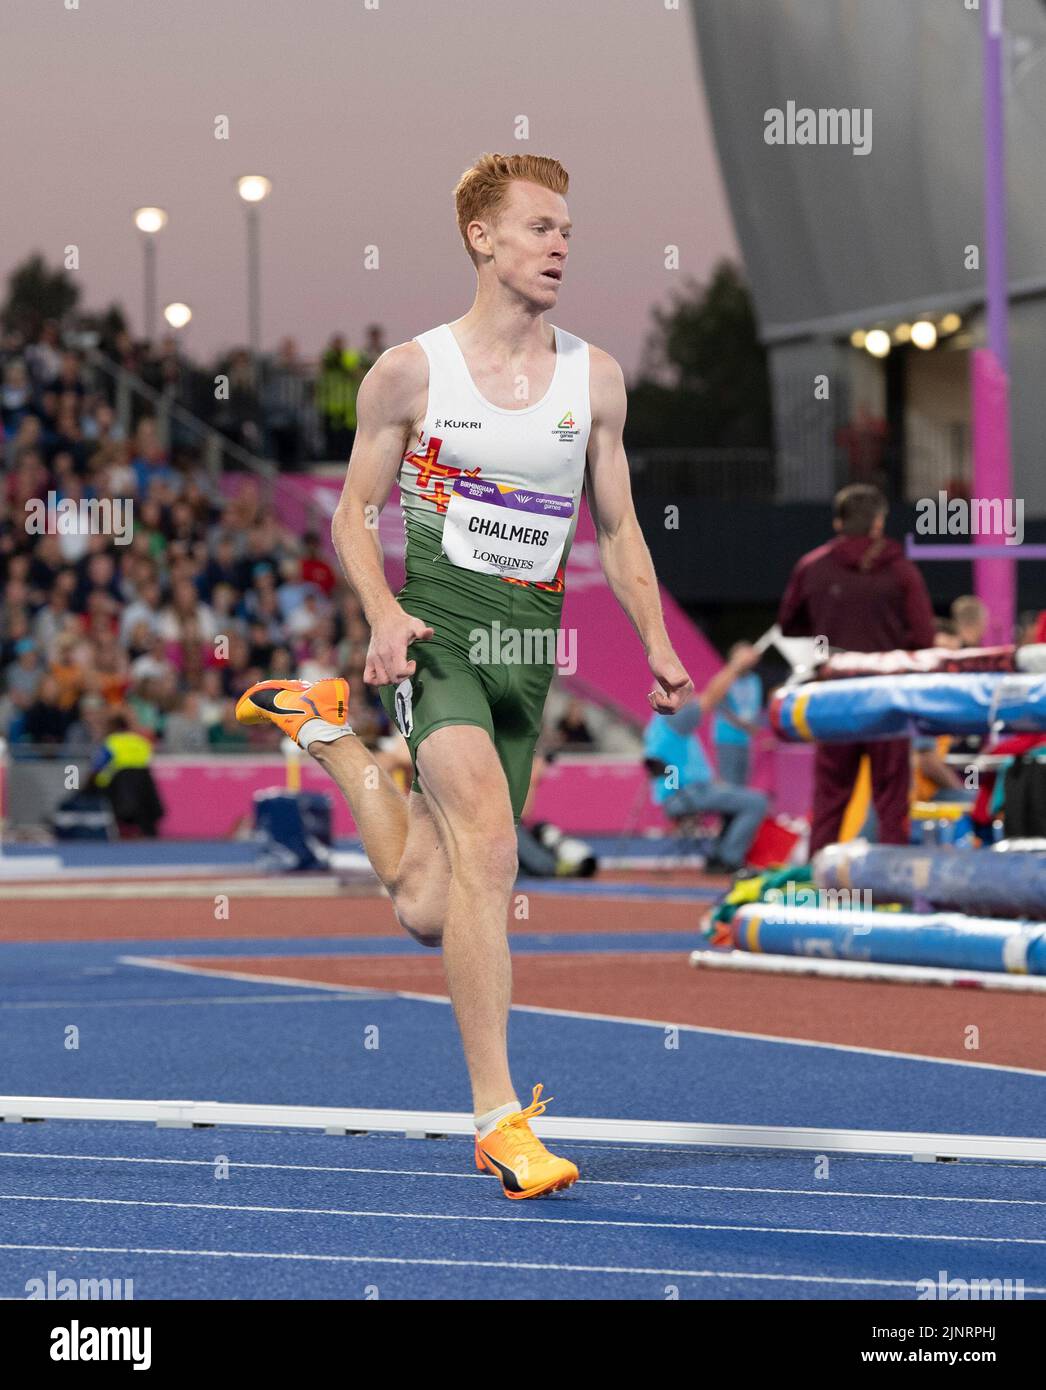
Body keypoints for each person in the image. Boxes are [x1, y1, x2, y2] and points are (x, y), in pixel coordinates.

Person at [236, 153, 693, 1200]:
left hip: (525, 660)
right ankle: (498, 1121)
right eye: (538, 227)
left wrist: (658, 639)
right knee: (490, 843)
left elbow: (618, 529)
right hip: (438, 637)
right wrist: (386, 613)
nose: (560, 244)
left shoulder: (595, 379)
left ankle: (333, 744)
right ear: (480, 239)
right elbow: (352, 513)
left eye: (566, 229)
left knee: (434, 904)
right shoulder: (410, 373)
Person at [779, 484, 935, 855]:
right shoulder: (902, 572)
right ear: (879, 523)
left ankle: (819, 890)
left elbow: (788, 624)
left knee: (831, 801)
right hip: (888, 696)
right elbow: (925, 638)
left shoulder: (812, 566)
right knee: (892, 803)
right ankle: (890, 898)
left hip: (836, 694)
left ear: (838, 522)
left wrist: (827, 636)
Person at [644, 643, 768, 873]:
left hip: (685, 792)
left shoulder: (661, 726)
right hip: (687, 795)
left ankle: (721, 853)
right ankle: (728, 857)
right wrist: (736, 665)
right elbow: (711, 698)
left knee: (736, 796)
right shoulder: (676, 718)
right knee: (757, 801)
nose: (687, 693)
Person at [712, 640, 762, 786]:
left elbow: (754, 707)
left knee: (742, 783)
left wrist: (751, 726)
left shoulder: (754, 680)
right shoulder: (725, 678)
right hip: (727, 739)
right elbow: (719, 704)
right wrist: (745, 725)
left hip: (745, 741)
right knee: (728, 784)